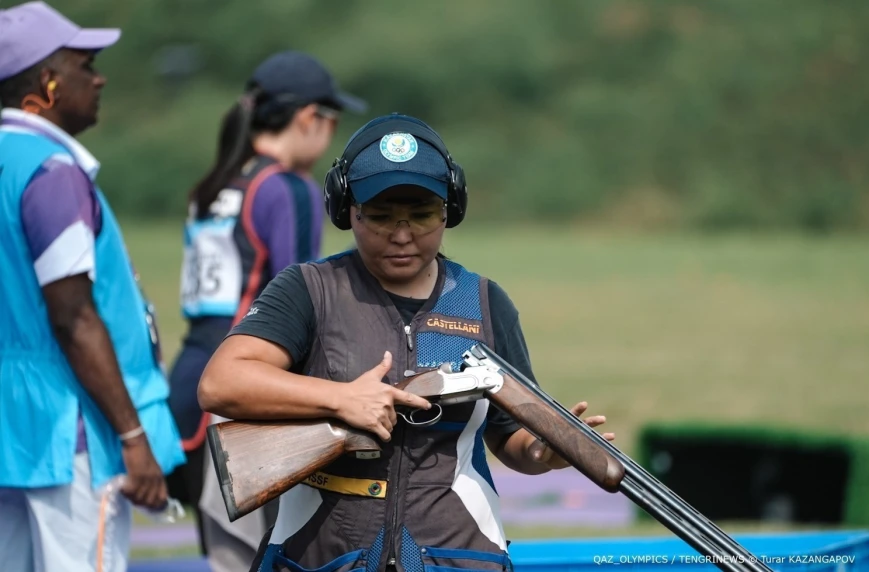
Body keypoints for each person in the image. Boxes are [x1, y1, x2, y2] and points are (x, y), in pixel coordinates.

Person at [197, 113, 615, 572]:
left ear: (449, 211)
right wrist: (342, 399)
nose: (401, 235)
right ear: (346, 209)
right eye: (379, 217)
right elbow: (221, 383)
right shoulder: (309, 288)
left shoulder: (485, 302)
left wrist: (541, 454)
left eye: (421, 216)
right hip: (322, 557)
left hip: (455, 555)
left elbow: (507, 434)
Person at [0, 2, 185, 571]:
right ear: (47, 82)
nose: (99, 78)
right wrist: (132, 436)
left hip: (12, 430)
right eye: (86, 64)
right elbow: (73, 316)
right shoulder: (52, 173)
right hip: (71, 429)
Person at [165, 50, 367, 569]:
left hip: (189, 393)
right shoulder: (287, 189)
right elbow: (307, 306)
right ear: (308, 119)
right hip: (248, 400)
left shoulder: (213, 186)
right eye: (331, 121)